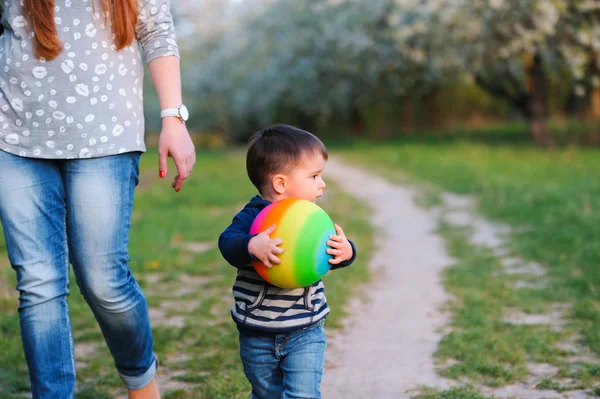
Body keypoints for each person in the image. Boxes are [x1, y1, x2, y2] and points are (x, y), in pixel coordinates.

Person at [0, 0, 195, 398]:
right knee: (38, 284)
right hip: (13, 137)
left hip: (106, 137)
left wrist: (173, 118)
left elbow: (155, 31)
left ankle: (141, 381)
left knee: (103, 280)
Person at [218, 124, 357, 399]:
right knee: (266, 394)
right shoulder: (251, 218)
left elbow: (327, 252)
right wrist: (251, 245)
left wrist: (346, 252)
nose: (322, 184)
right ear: (281, 183)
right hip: (257, 331)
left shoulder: (311, 218)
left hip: (306, 329)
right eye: (314, 176)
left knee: (303, 395)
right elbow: (227, 243)